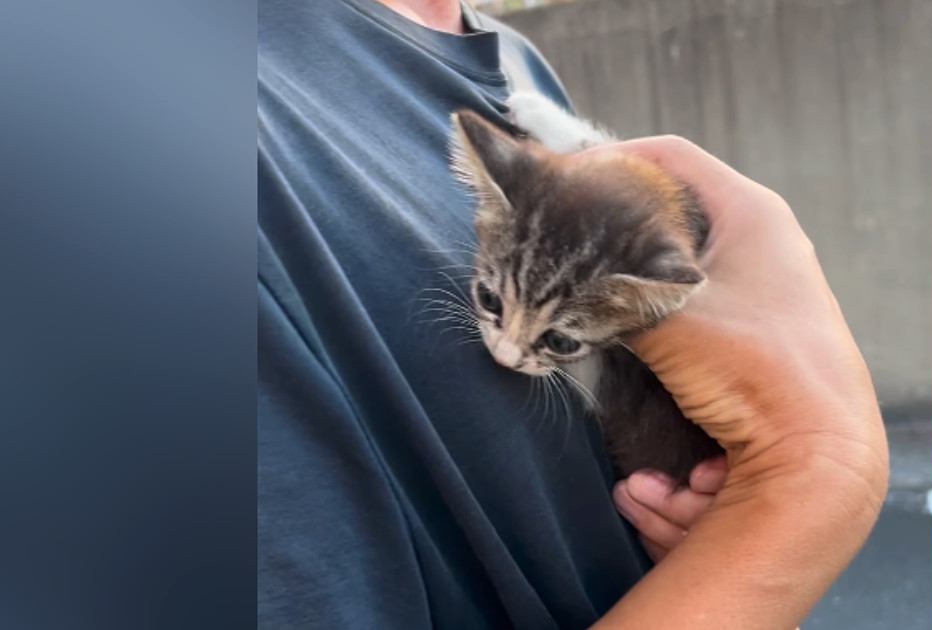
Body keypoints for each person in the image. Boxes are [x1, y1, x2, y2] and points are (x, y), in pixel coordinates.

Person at [257, 0, 888, 627]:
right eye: (491, 301)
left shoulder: (512, 56)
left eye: (554, 341)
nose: (505, 351)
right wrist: (814, 466)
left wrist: (723, 554)